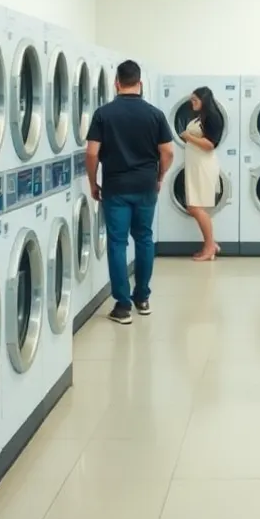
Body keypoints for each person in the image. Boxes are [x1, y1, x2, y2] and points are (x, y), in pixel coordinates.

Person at [85, 59, 174, 325]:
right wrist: (159, 176)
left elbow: (91, 153)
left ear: (116, 83)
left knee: (117, 243)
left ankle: (123, 306)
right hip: (146, 185)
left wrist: (93, 181)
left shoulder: (104, 113)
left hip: (116, 187)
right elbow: (168, 151)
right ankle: (143, 299)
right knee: (144, 238)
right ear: (140, 83)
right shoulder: (155, 114)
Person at [179, 86, 225, 261]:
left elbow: (210, 144)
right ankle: (210, 244)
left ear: (204, 100)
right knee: (195, 205)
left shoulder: (213, 117)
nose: (192, 103)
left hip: (204, 165)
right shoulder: (200, 117)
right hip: (195, 165)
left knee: (196, 207)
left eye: (195, 100)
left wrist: (188, 137)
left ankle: (210, 246)